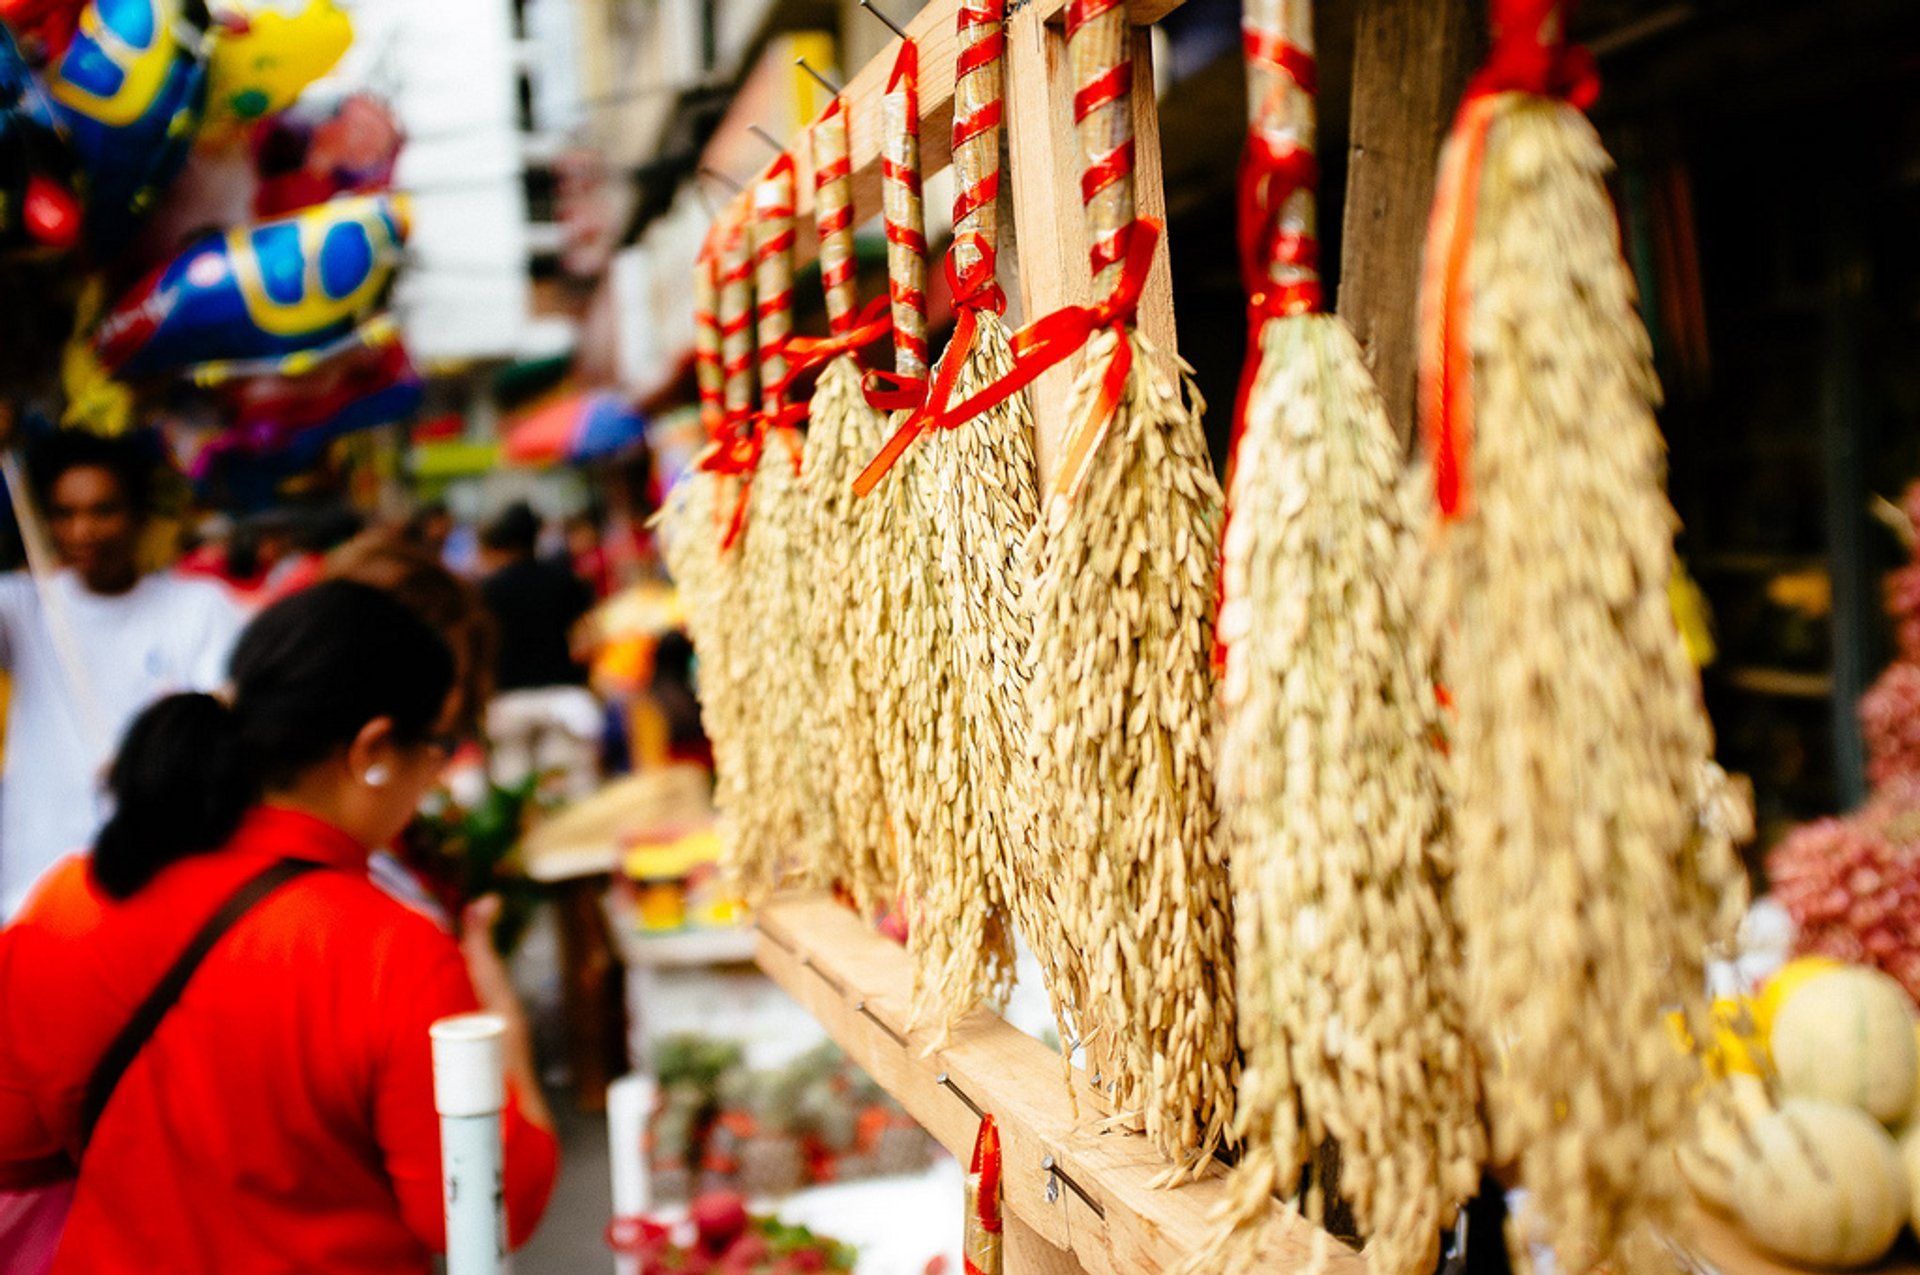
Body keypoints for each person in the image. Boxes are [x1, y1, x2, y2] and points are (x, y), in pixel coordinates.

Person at [0, 582, 558, 1271]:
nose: (436, 779)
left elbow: (13, 1143)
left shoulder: (70, 897)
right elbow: (478, 1208)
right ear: (374, 748)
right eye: (438, 747)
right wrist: (508, 1043)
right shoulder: (390, 950)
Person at [0, 431, 243, 918]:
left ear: (138, 517)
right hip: (36, 882)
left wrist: (150, 765)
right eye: (64, 514)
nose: (82, 531)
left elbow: (225, 715)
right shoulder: (22, 605)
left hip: (162, 879)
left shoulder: (198, 608)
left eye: (102, 511)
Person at [477, 503, 600, 795]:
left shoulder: (487, 591)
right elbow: (588, 640)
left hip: (509, 703)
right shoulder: (565, 579)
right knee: (569, 795)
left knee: (516, 797)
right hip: (564, 698)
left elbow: (480, 652)